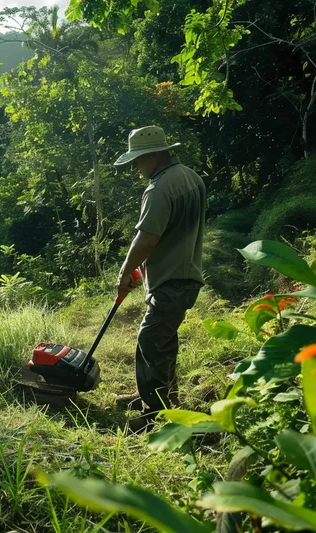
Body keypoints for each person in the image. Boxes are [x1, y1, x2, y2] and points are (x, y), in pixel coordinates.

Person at [112, 126, 207, 433]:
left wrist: (126, 271)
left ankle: (155, 416)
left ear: (154, 156)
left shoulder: (160, 187)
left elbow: (146, 239)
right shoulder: (190, 176)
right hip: (185, 272)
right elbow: (172, 231)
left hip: (173, 280)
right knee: (163, 341)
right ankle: (162, 398)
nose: (136, 169)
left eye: (138, 162)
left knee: (150, 341)